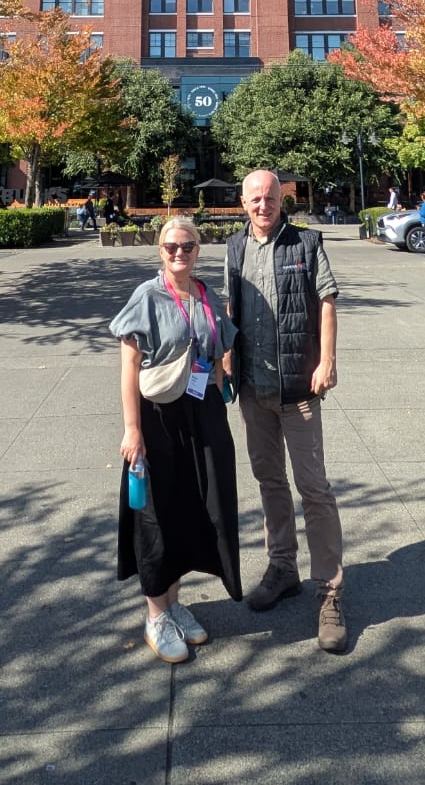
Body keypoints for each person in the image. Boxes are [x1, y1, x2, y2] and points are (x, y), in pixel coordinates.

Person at [226, 169, 347, 654]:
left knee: (314, 487)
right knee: (269, 481)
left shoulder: (307, 243)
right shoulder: (235, 248)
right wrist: (227, 363)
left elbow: (327, 302)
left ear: (283, 198)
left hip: (299, 384)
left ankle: (331, 591)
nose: (262, 204)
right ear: (242, 202)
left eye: (270, 197)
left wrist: (328, 362)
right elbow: (232, 311)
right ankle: (282, 567)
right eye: (255, 198)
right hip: (254, 388)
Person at [110, 216, 242, 664]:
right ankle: (155, 614)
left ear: (197, 250)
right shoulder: (147, 297)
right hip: (158, 419)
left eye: (186, 246)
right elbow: (129, 367)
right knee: (156, 514)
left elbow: (220, 348)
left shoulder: (206, 296)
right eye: (170, 246)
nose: (178, 253)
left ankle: (175, 603)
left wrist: (223, 382)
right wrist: (132, 430)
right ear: (159, 250)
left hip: (201, 415)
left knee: (193, 509)